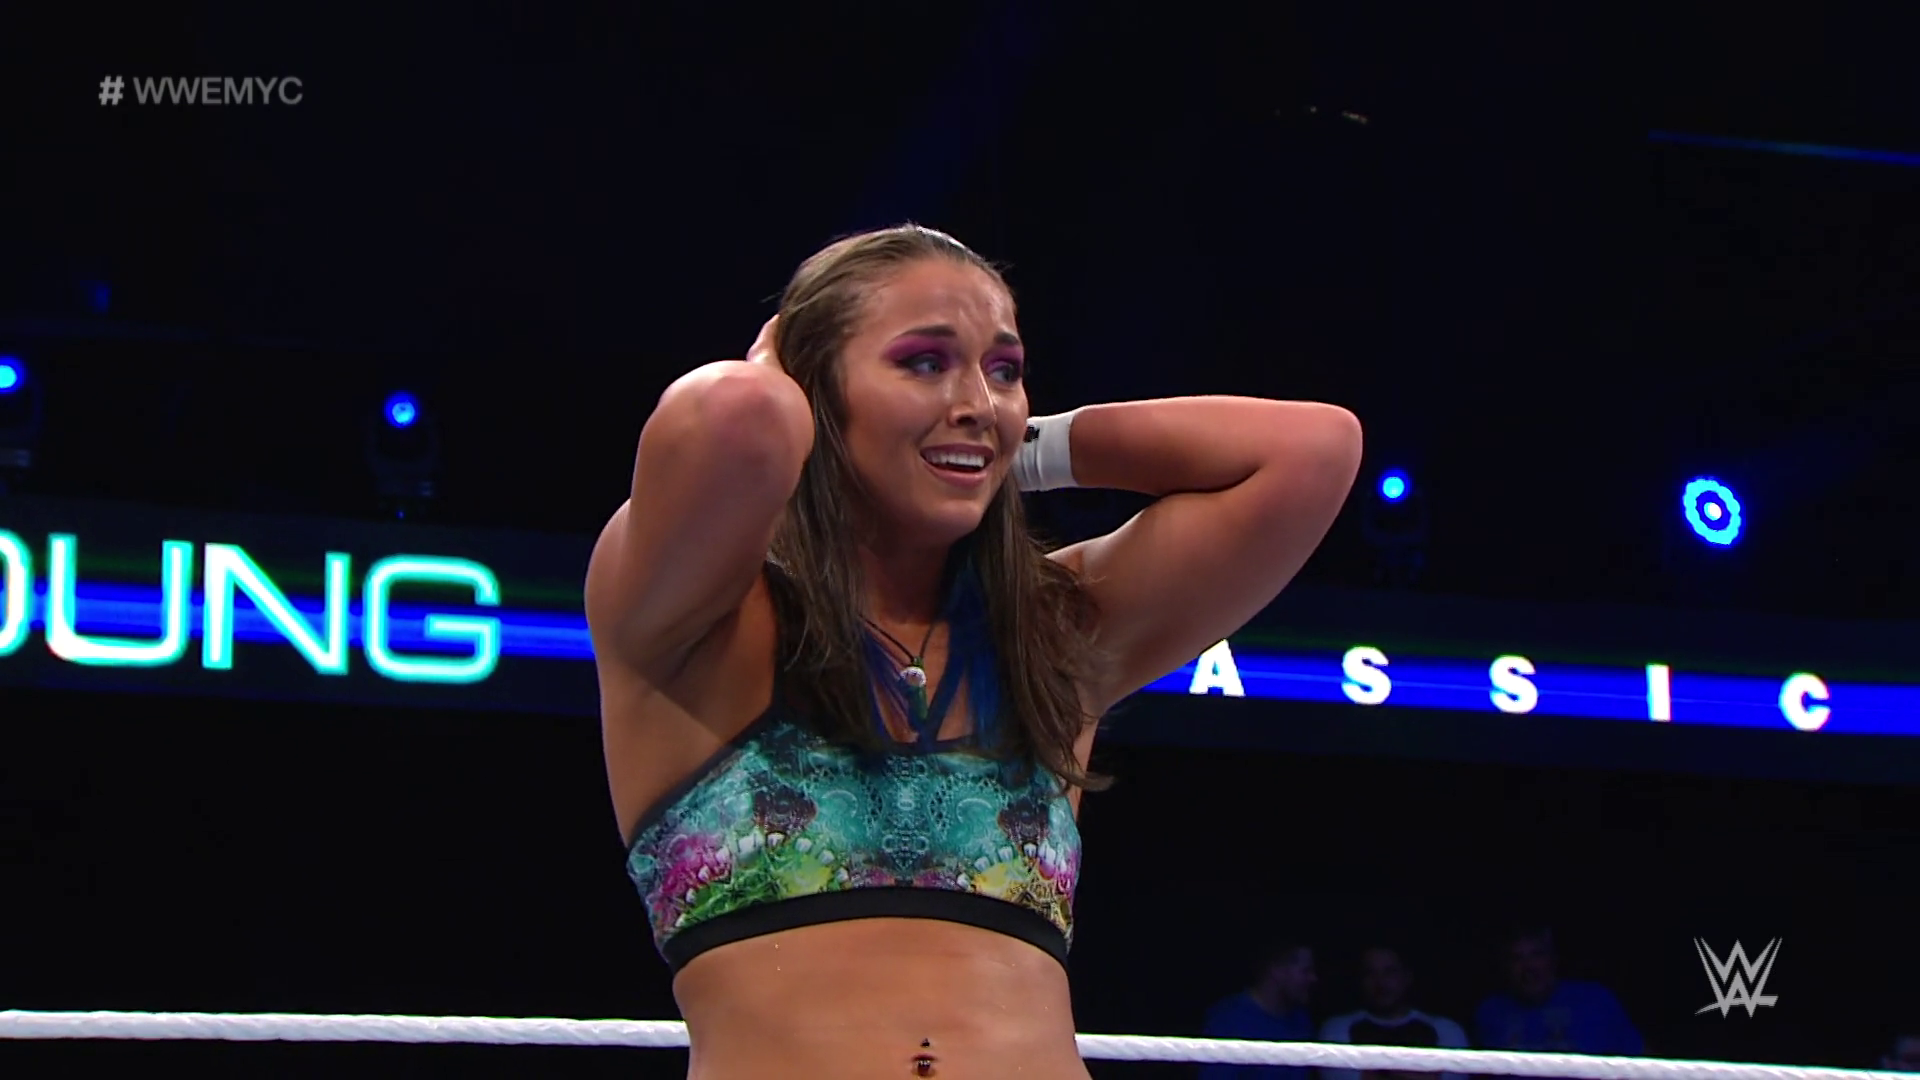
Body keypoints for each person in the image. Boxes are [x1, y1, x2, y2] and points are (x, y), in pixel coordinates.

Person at [586, 223, 1363, 1079]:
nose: (978, 400)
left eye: (1003, 371)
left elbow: (1313, 451)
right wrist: (791, 379)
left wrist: (1002, 451)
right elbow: (736, 413)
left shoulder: (1051, 636)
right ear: (812, 392)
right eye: (924, 362)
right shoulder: (704, 625)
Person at [1472, 926, 1642, 1058]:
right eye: (1516, 958)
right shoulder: (1490, 1012)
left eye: (1537, 955)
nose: (1528, 968)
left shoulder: (1596, 1001)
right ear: (1505, 967)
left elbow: (1639, 1061)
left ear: (1553, 959)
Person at [1319, 945, 1470, 1080]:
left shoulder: (1446, 1029)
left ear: (1407, 977)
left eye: (1390, 972)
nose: (1380, 982)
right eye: (1370, 973)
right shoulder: (1337, 1029)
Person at [1200, 942, 1320, 1080]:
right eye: (1305, 971)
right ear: (1277, 970)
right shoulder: (1228, 1021)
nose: (1313, 978)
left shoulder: (1301, 1020)